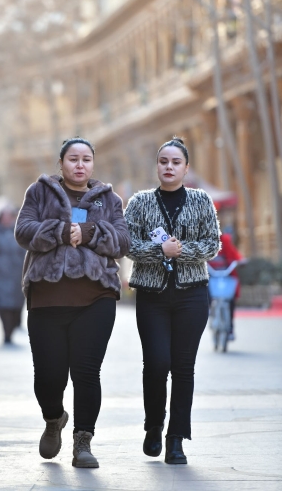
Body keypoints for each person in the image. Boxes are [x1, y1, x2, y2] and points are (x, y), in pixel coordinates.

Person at [15, 137, 130, 469]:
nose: (80, 165)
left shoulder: (109, 199)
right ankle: (54, 418)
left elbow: (122, 241)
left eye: (86, 159)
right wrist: (61, 232)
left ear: (93, 164)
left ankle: (83, 442)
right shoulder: (39, 193)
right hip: (47, 298)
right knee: (48, 377)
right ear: (61, 163)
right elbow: (23, 231)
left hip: (96, 296)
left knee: (86, 372)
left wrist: (91, 232)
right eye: (73, 159)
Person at [124, 136, 220, 465]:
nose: (169, 167)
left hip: (191, 295)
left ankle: (176, 438)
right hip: (152, 296)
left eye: (175, 162)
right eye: (164, 162)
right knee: (156, 364)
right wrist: (158, 251)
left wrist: (180, 252)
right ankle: (153, 426)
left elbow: (212, 244)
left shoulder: (201, 200)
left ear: (185, 168)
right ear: (157, 166)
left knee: (182, 367)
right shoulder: (139, 202)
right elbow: (127, 243)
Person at [0, 209, 26, 344]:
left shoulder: (18, 233)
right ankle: (6, 333)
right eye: (5, 217)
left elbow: (25, 250)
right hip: (0, 275)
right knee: (3, 304)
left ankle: (13, 327)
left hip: (17, 274)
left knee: (16, 303)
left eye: (10, 217)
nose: (8, 220)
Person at [209, 232, 243, 341]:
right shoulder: (204, 241)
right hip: (211, 276)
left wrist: (240, 260)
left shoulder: (225, 241)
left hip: (226, 276)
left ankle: (230, 329)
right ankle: (210, 313)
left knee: (230, 300)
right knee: (206, 294)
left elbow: (235, 254)